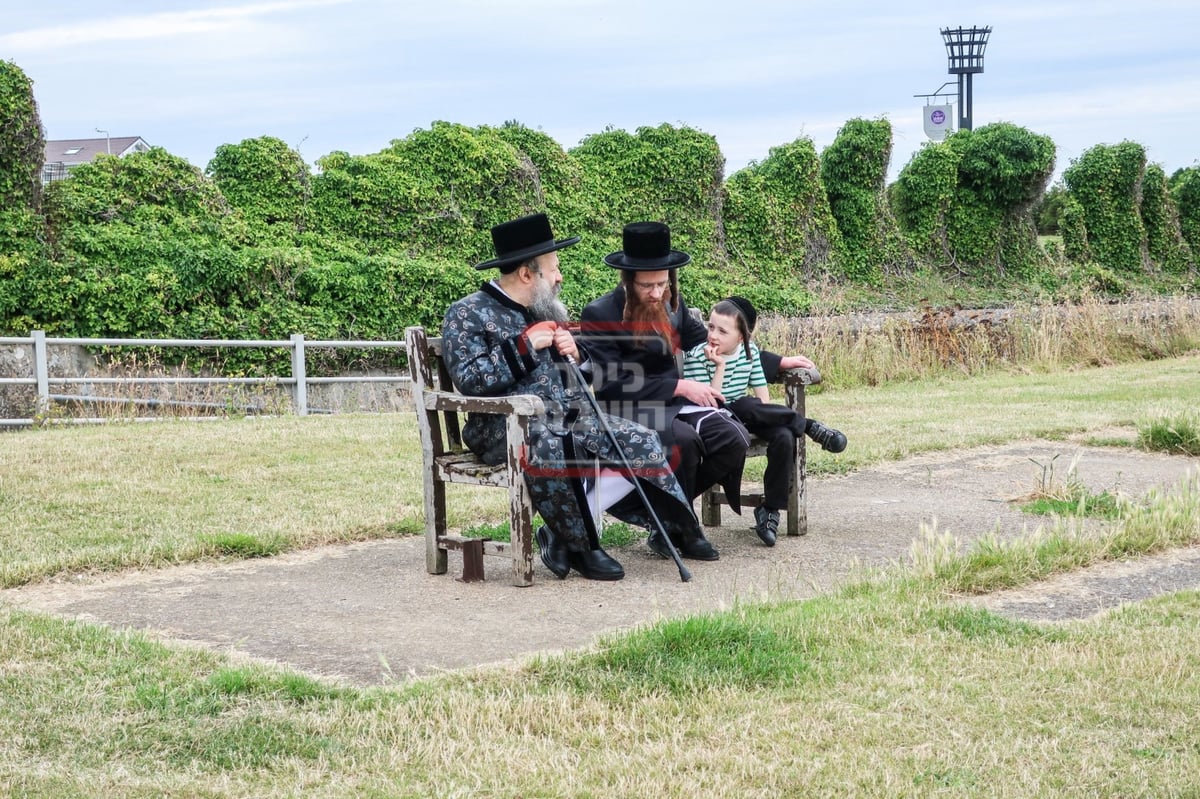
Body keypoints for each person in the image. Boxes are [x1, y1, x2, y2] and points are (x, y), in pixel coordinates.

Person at [442, 212, 711, 580]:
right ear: (526, 274)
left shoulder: (545, 309)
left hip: (567, 417)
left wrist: (578, 354)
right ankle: (584, 546)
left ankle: (668, 526)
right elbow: (468, 380)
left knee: (643, 438)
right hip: (503, 427)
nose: (560, 276)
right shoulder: (466, 312)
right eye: (553, 269)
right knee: (558, 440)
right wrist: (523, 346)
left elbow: (580, 375)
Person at [579, 221, 763, 561]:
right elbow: (611, 382)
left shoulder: (673, 305)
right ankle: (685, 527)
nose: (655, 293)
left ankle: (666, 519)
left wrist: (777, 361)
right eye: (647, 285)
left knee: (732, 439)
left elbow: (714, 344)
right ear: (628, 279)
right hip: (625, 409)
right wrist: (680, 384)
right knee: (685, 442)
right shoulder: (599, 313)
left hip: (674, 405)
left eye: (662, 283)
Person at [683, 296, 847, 546]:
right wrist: (718, 367)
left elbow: (762, 397)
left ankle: (769, 510)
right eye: (711, 327)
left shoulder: (750, 352)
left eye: (722, 331)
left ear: (741, 338)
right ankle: (810, 426)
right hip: (715, 418)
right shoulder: (698, 356)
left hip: (746, 414)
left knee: (783, 435)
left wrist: (773, 422)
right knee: (745, 404)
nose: (713, 335)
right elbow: (711, 404)